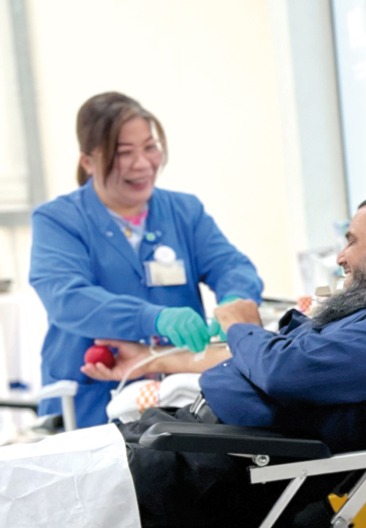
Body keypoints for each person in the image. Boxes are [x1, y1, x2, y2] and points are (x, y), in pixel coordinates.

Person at [83, 193, 366, 528]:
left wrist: (242, 326)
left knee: (47, 488)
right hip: (188, 441)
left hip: (211, 470)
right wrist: (148, 361)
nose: (341, 257)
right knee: (54, 464)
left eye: (352, 240)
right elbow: (261, 358)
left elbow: (280, 369)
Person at [29, 91, 264, 428]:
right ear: (87, 162)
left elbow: (233, 266)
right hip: (91, 398)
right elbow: (67, 297)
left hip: (175, 394)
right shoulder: (59, 220)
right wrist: (153, 318)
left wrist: (234, 301)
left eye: (150, 147)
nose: (142, 163)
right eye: (123, 153)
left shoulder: (184, 212)